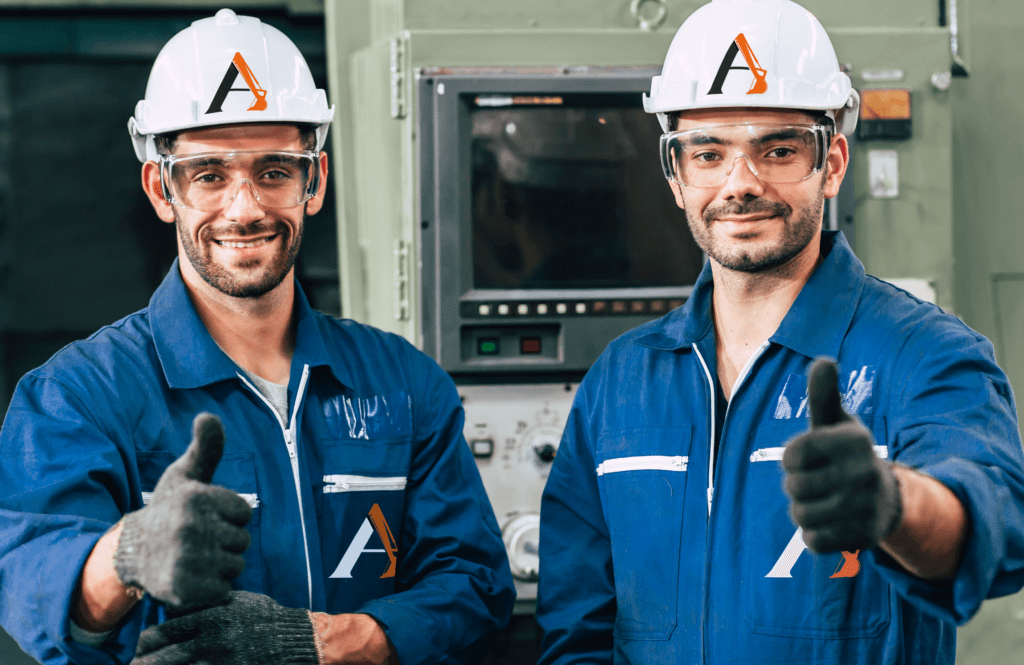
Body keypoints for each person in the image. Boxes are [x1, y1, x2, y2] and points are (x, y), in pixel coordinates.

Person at [0, 9, 514, 665]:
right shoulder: (78, 395)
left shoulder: (405, 384)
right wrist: (124, 556)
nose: (243, 208)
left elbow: (474, 586)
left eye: (274, 169)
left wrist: (321, 642)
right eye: (209, 173)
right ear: (163, 188)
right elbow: (31, 584)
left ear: (315, 181)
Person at [535, 1, 1024, 663]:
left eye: (779, 150)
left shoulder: (925, 353)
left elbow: (994, 523)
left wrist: (895, 503)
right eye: (709, 153)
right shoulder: (621, 383)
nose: (741, 184)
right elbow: (577, 631)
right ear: (676, 175)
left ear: (833, 163)